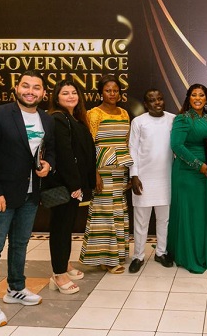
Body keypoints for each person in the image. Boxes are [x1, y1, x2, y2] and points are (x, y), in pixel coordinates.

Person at [0, 70, 55, 327]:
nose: (30, 91)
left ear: (43, 93)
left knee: (20, 243)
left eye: (36, 87)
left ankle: (16, 288)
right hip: (0, 195)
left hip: (30, 193)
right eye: (25, 86)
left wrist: (48, 165)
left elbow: (50, 149)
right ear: (16, 88)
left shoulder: (46, 119)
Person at [167, 84, 207, 273]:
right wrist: (198, 165)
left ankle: (205, 253)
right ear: (188, 98)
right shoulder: (182, 119)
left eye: (201, 95)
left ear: (206, 98)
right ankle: (190, 256)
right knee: (192, 215)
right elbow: (177, 145)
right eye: (194, 95)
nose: (198, 98)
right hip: (189, 172)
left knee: (205, 213)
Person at [79, 74, 133, 274]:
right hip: (102, 170)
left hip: (120, 170)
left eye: (115, 90)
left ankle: (114, 255)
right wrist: (94, 174)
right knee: (103, 213)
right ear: (101, 92)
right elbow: (89, 146)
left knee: (118, 211)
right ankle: (107, 259)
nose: (112, 94)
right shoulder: (94, 114)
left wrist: (128, 172)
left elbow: (126, 143)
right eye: (108, 90)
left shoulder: (124, 113)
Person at [47, 79, 96, 293]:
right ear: (56, 98)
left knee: (66, 226)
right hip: (64, 185)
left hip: (73, 184)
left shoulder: (74, 118)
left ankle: (64, 264)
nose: (70, 96)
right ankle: (58, 274)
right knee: (60, 228)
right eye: (65, 93)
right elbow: (65, 154)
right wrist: (75, 185)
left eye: (73, 92)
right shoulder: (58, 118)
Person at [128, 89, 175, 273]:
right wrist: (134, 175)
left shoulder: (173, 119)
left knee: (164, 219)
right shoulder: (139, 121)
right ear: (146, 104)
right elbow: (133, 149)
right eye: (153, 100)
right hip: (143, 178)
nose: (157, 103)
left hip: (167, 177)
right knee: (141, 221)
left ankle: (161, 252)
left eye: (160, 99)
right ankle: (138, 256)